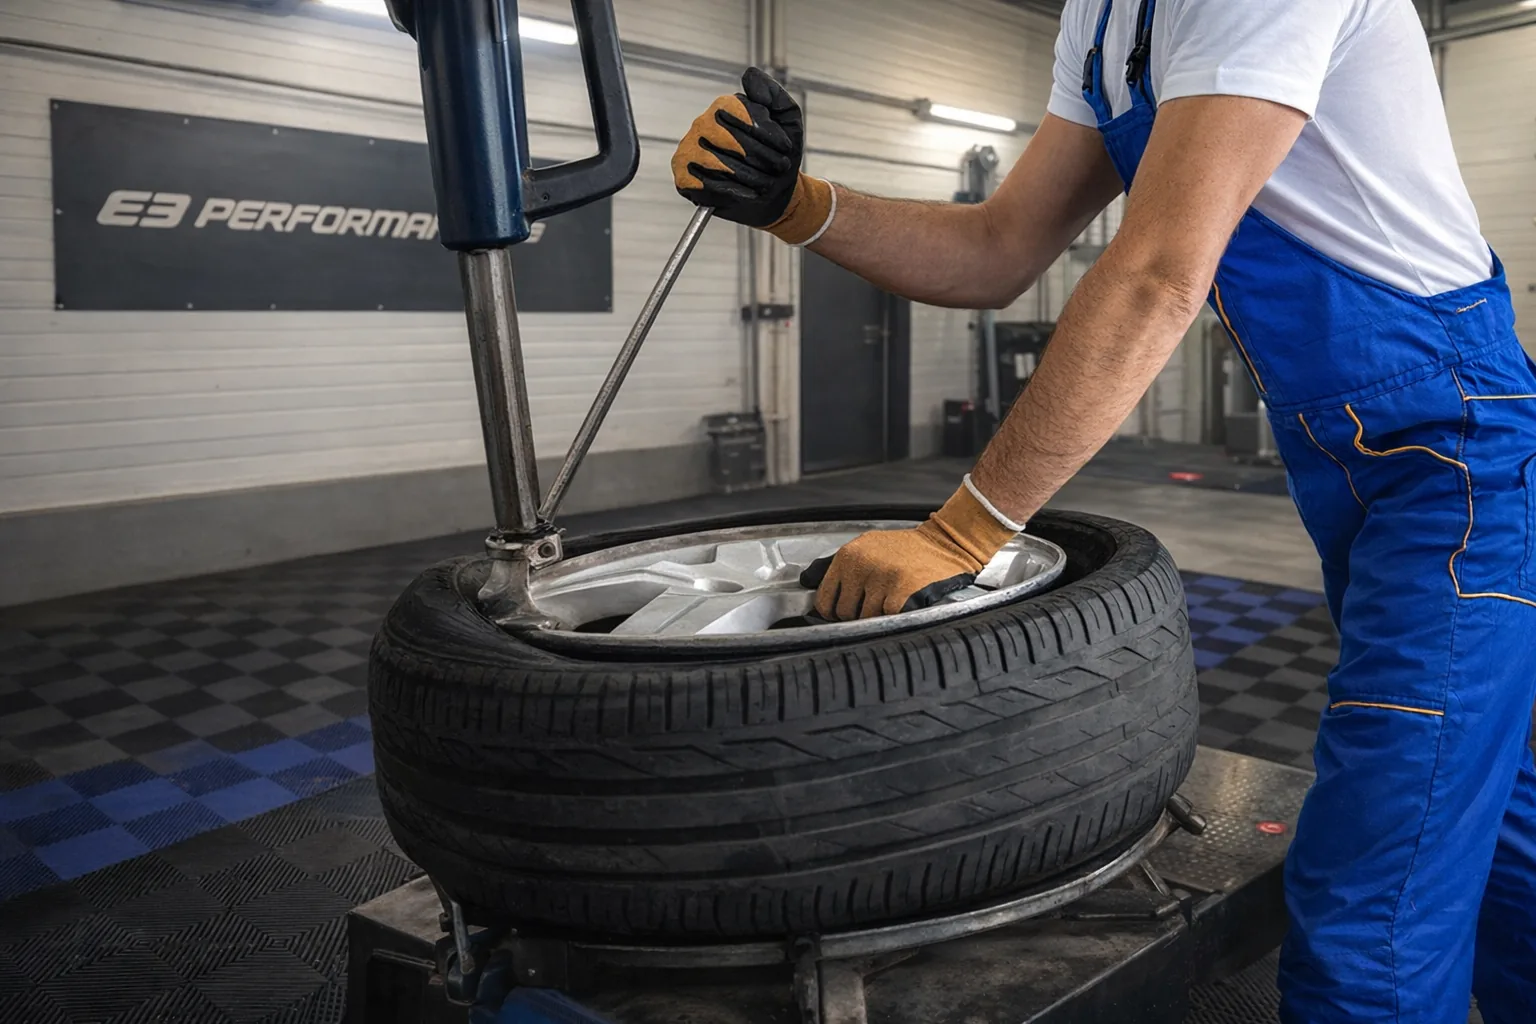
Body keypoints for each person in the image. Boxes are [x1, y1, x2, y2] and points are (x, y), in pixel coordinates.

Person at [668, 0, 1536, 1020]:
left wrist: (962, 530)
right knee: (1499, 807)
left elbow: (1164, 268)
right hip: (1343, 454)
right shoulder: (1099, 17)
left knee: (1373, 906)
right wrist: (796, 203)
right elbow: (999, 248)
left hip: (1453, 453)